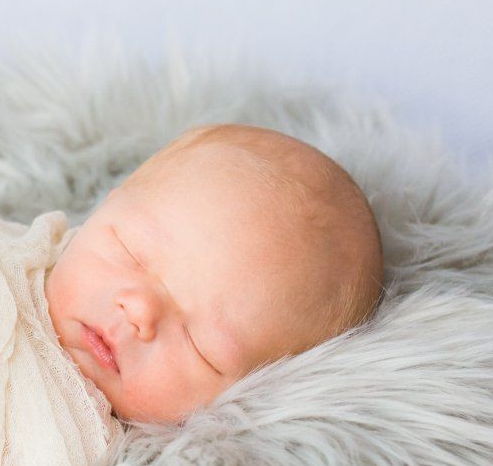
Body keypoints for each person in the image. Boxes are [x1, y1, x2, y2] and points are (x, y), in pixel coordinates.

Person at [46, 122, 385, 424]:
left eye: (202, 347)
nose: (139, 309)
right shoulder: (5, 263)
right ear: (105, 206)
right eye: (131, 252)